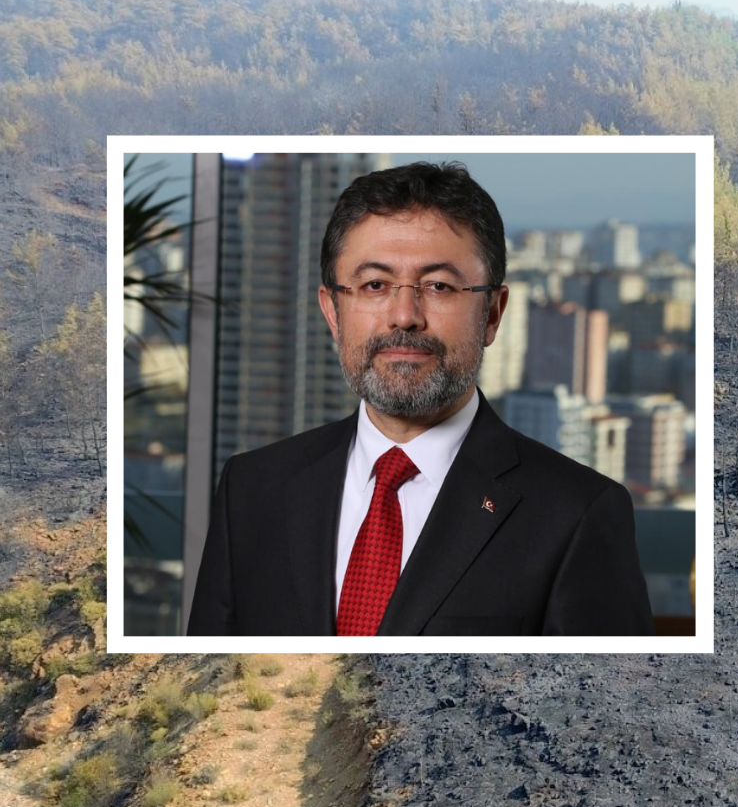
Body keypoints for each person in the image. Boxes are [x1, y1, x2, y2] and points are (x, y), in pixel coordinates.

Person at [187, 161, 655, 636]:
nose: (405, 316)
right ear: (333, 312)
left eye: (439, 286)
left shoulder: (577, 513)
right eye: (375, 285)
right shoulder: (253, 489)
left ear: (492, 314)